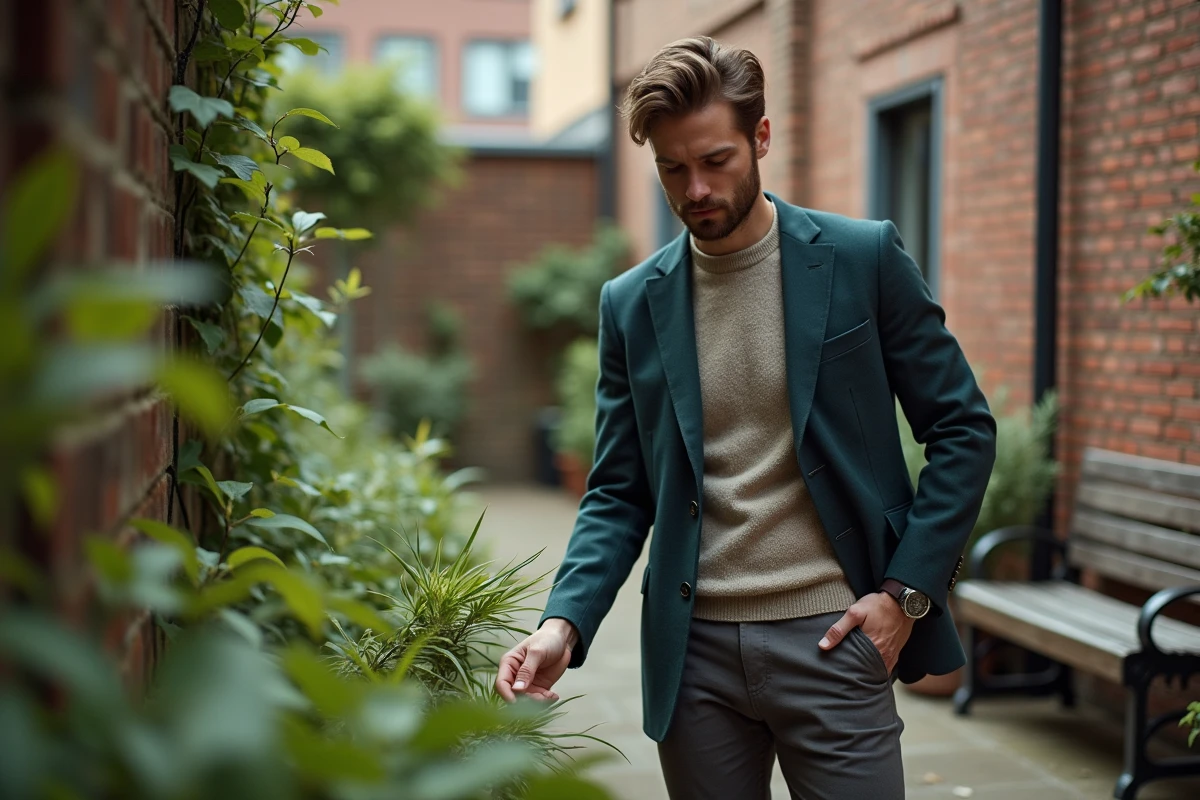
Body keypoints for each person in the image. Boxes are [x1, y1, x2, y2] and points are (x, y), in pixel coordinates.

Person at [496, 36, 996, 799]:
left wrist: (905, 597)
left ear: (761, 138)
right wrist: (563, 623)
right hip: (691, 659)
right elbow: (619, 491)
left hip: (835, 639)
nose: (694, 188)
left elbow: (963, 429)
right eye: (672, 168)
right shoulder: (631, 304)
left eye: (715, 160)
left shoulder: (863, 260)